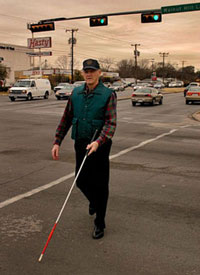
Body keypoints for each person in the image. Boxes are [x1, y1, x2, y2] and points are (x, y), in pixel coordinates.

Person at [51, 59, 117, 239]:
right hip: (81, 142)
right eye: (86, 71)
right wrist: (57, 141)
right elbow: (66, 119)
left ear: (99, 73)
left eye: (92, 71)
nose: (89, 74)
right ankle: (95, 202)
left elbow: (111, 123)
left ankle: (100, 223)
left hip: (100, 145)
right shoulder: (76, 93)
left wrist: (98, 141)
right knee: (80, 180)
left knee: (101, 184)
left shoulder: (108, 94)